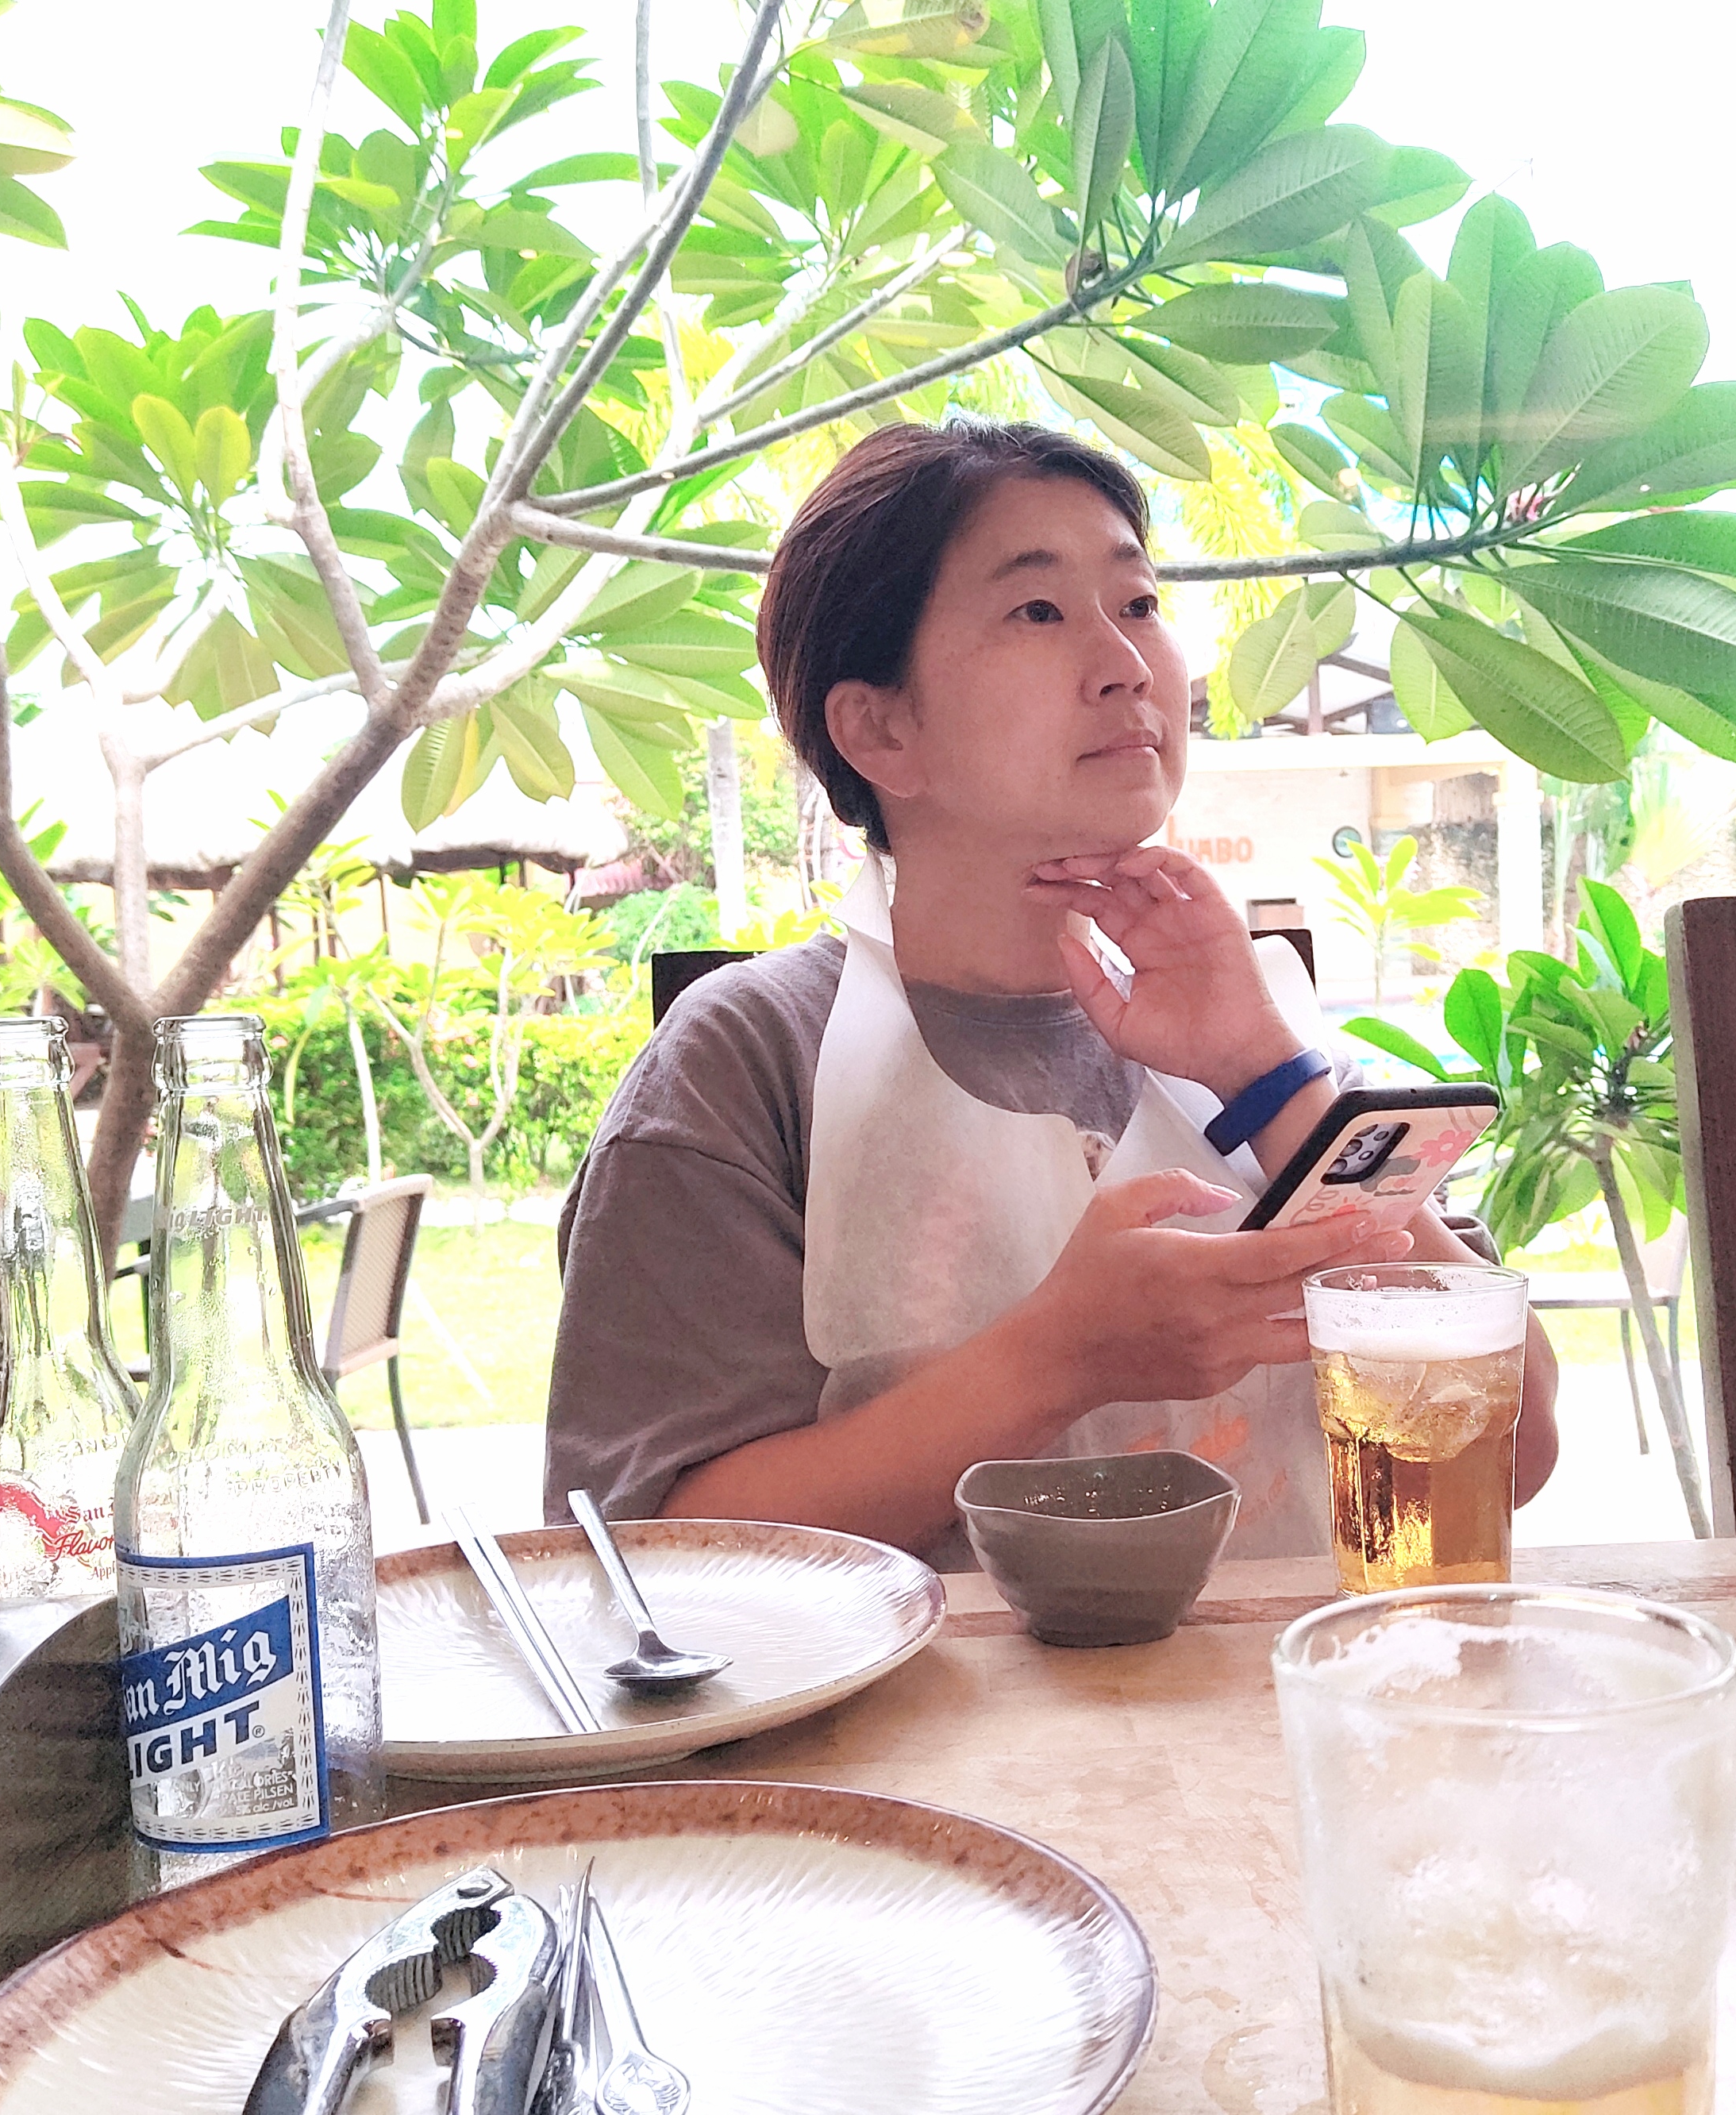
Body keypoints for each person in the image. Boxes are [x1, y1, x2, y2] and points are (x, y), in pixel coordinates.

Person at [545, 418, 1559, 1564]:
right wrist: (1058, 1362)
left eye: (1139, 603)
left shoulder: (1265, 1025)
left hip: (1289, 1678)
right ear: (880, 727)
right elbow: (643, 1554)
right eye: (1037, 610)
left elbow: (1513, 1453)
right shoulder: (750, 1060)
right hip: (918, 1690)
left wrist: (1269, 1077)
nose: (1127, 663)